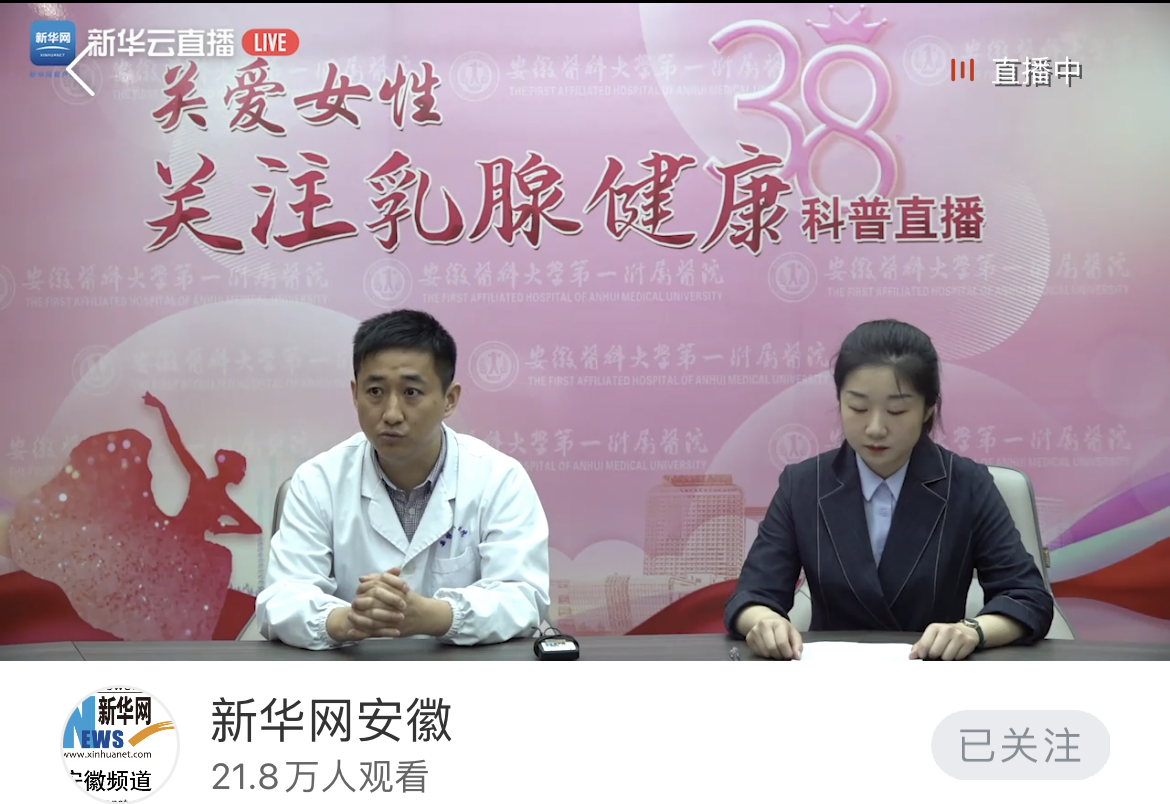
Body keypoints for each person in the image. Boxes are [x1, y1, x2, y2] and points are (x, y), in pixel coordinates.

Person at [725, 319, 1054, 661]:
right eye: (858, 408)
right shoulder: (804, 484)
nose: (875, 428)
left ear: (928, 408)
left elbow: (1027, 597)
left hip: (932, 670)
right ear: (839, 400)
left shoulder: (967, 484)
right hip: (833, 674)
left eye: (897, 410)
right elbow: (751, 596)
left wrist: (972, 630)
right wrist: (764, 622)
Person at [255, 309, 550, 650]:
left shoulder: (499, 479)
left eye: (411, 392)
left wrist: (435, 616)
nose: (391, 414)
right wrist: (347, 621)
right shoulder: (318, 481)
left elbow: (522, 596)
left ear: (449, 399)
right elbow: (281, 600)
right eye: (375, 391)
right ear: (354, 393)